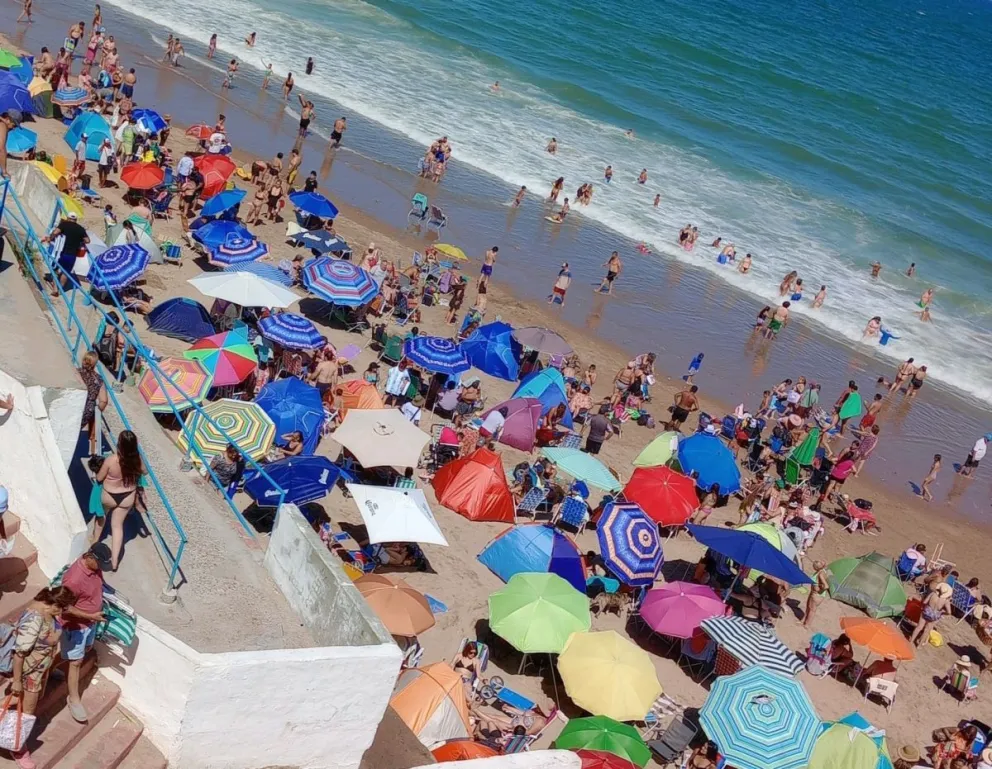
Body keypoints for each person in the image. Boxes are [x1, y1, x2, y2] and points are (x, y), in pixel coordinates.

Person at [7, 586, 78, 767]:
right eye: (63, 608)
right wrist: (16, 681)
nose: (63, 612)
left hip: (40, 668)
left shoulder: (47, 609)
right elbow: (19, 654)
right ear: (56, 605)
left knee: (17, 700)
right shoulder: (34, 619)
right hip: (30, 673)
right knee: (27, 713)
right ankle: (18, 749)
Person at [61, 544, 110, 723]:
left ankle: (55, 670)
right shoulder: (74, 579)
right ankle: (73, 699)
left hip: (91, 622)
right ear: (90, 557)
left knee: (80, 652)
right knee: (76, 661)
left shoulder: (95, 568)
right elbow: (64, 606)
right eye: (99, 564)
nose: (101, 569)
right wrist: (90, 615)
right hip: (76, 626)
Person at [95, 430, 144, 570]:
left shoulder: (111, 460)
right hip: (127, 496)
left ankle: (93, 548)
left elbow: (99, 478)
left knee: (100, 521)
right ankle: (114, 562)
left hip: (109, 495)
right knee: (117, 527)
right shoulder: (137, 460)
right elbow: (144, 472)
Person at [77, 351, 107, 457]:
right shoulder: (98, 379)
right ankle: (93, 453)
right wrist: (96, 412)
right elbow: (104, 401)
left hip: (77, 407)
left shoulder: (77, 373)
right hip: (88, 411)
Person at [911, 581, 951, 647]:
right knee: (927, 630)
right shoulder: (946, 601)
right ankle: (919, 645)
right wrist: (942, 612)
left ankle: (911, 640)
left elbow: (924, 602)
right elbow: (949, 612)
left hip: (927, 611)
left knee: (919, 627)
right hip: (935, 614)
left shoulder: (933, 594)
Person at [803, 560, 829, 628]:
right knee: (808, 607)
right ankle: (803, 620)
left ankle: (807, 625)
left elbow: (826, 586)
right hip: (813, 593)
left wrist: (819, 590)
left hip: (817, 595)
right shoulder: (823, 570)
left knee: (812, 610)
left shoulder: (820, 574)